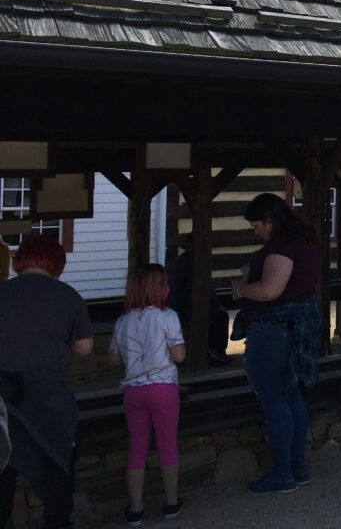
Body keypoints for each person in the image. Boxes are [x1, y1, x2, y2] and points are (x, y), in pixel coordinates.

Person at [0, 235, 94, 529]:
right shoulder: (68, 296)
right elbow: (84, 349)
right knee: (58, 487)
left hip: (3, 406)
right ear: (57, 264)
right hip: (49, 404)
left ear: (19, 261)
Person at [231, 193, 321, 495]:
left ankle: (282, 473)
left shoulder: (281, 248)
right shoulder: (305, 242)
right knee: (294, 396)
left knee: (274, 400)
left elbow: (270, 290)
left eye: (257, 225)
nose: (256, 232)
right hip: (297, 329)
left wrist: (241, 289)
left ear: (270, 221)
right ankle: (298, 468)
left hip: (274, 330)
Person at [108, 264, 186, 526]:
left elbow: (114, 358)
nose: (168, 288)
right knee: (167, 445)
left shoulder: (123, 320)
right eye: (164, 283)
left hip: (133, 391)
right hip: (163, 388)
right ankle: (172, 503)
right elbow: (179, 355)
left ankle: (136, 509)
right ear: (158, 289)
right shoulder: (168, 317)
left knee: (137, 448)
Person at [166, 234, 231, 366]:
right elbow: (195, 289)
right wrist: (215, 306)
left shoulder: (188, 259)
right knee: (220, 317)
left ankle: (215, 351)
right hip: (184, 306)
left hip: (184, 303)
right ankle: (215, 351)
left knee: (219, 314)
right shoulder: (192, 260)